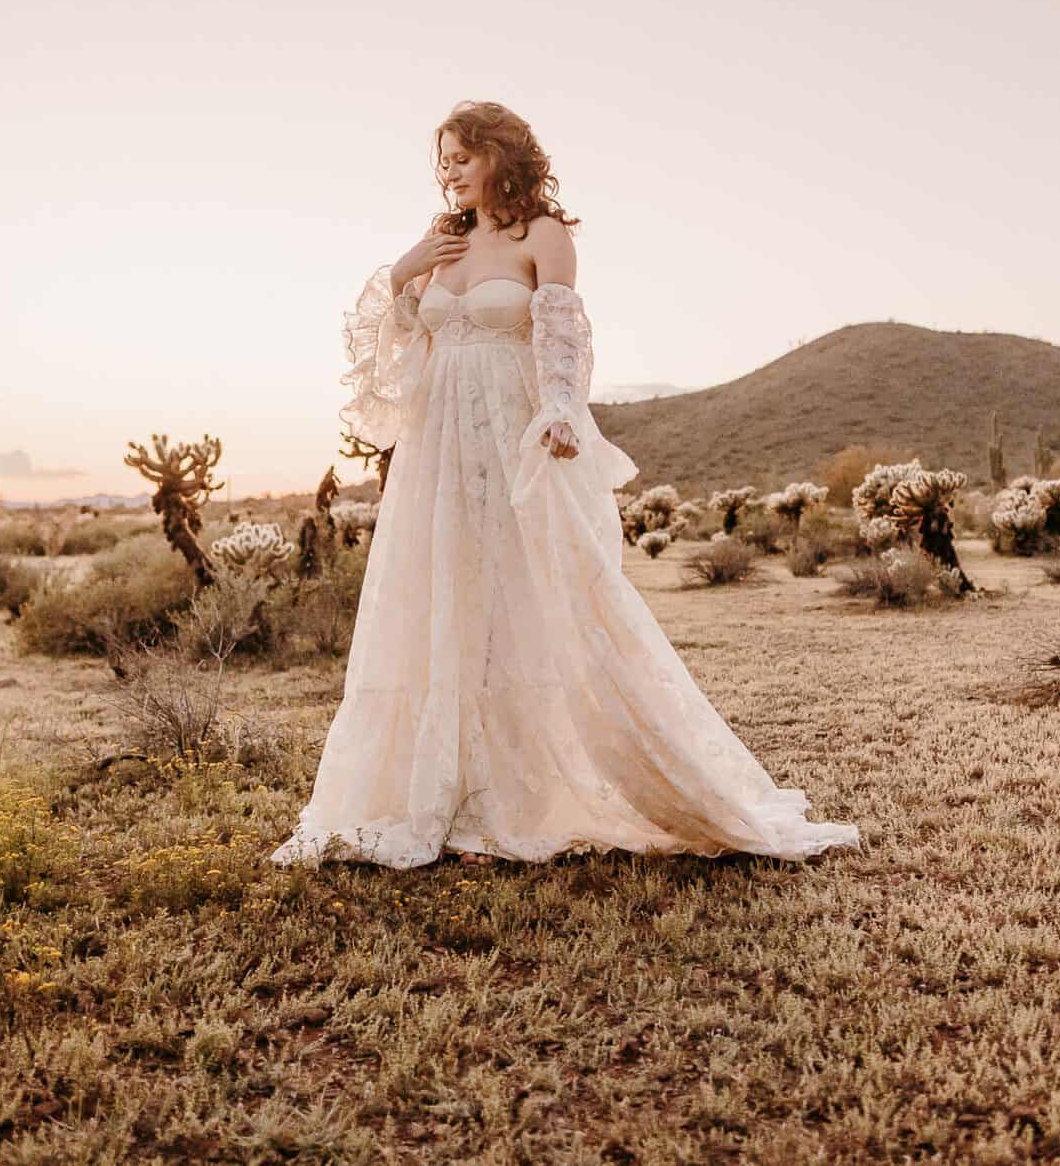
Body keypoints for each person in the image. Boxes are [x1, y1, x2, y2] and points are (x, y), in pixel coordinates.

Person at [269, 101, 859, 869]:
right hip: (438, 449)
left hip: (512, 433)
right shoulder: (444, 244)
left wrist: (558, 410)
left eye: (461, 156)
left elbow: (562, 333)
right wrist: (408, 271)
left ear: (500, 155)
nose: (448, 170)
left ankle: (530, 789)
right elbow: (404, 344)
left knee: (538, 596)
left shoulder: (541, 235)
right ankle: (445, 789)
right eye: (440, 160)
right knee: (446, 597)